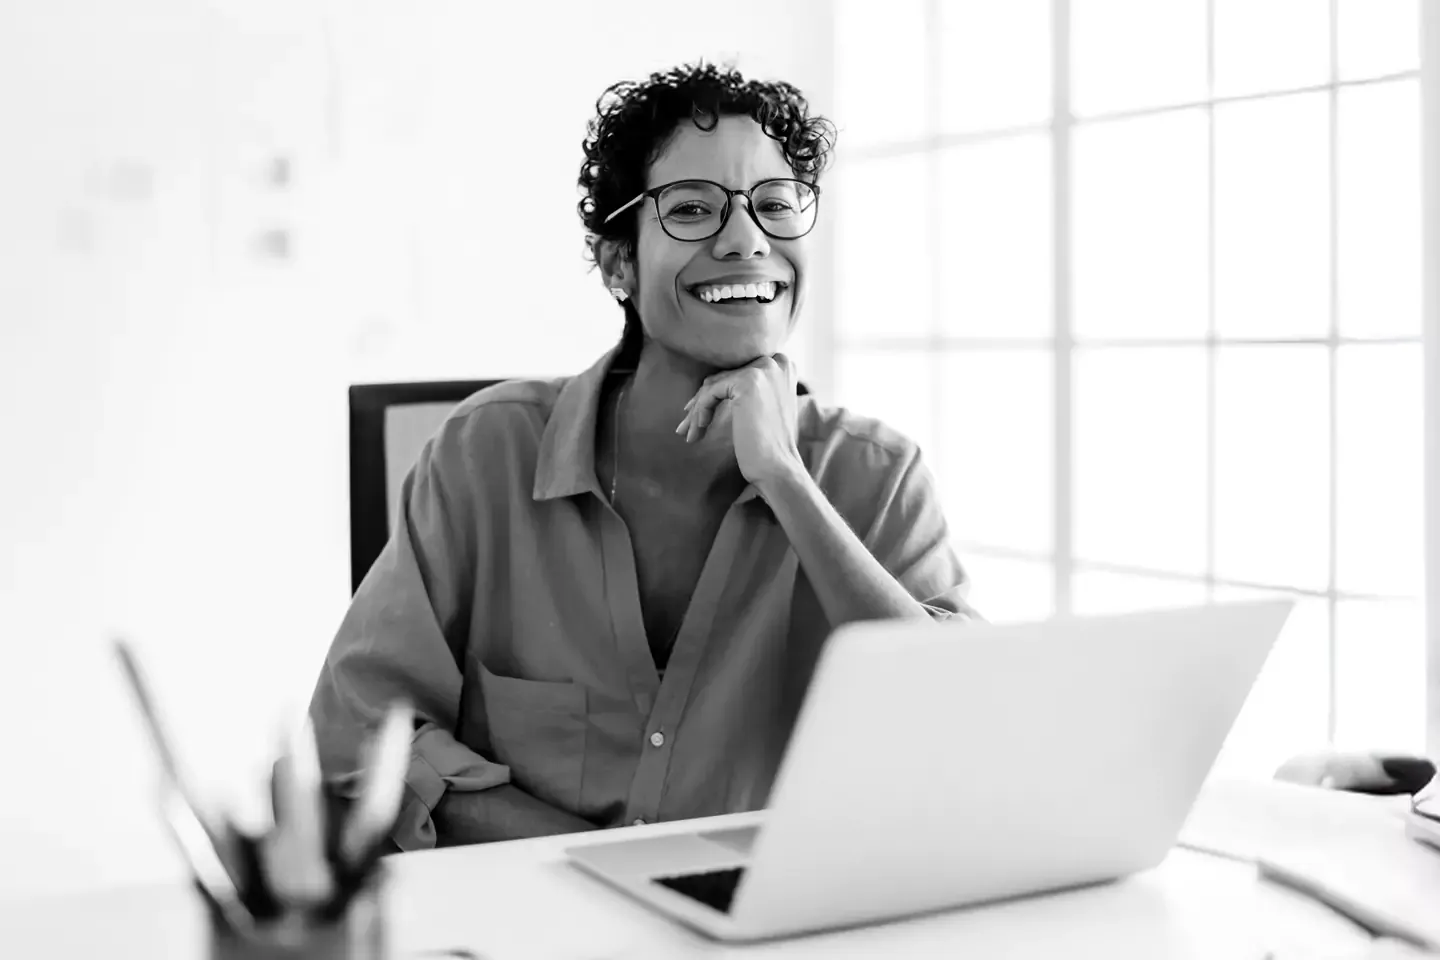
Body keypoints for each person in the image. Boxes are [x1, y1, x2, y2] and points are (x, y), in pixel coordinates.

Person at [309, 61, 979, 852]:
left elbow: (962, 733)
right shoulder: (482, 455)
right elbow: (358, 735)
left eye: (774, 205)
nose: (746, 239)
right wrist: (610, 871)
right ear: (618, 264)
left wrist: (786, 480)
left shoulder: (876, 477)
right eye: (693, 209)